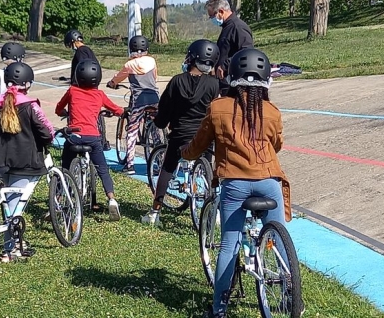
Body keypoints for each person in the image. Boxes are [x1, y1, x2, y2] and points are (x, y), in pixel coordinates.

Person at [180, 48, 296, 317]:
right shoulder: (271, 111)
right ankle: (291, 295)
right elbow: (277, 145)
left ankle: (219, 309)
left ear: (231, 76)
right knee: (277, 238)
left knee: (229, 243)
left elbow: (198, 145)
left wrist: (184, 153)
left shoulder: (218, 107)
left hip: (235, 184)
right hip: (269, 182)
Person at [0, 62, 54, 262]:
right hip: (25, 162)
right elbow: (46, 131)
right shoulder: (30, 105)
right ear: (27, 84)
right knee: (15, 206)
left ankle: (11, 243)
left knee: (7, 204)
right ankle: (9, 250)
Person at [141, 39, 220, 226]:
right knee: (208, 169)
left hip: (180, 135)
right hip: (205, 136)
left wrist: (159, 120)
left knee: (167, 169)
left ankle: (155, 211)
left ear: (191, 57)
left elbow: (165, 111)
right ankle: (213, 211)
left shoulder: (177, 81)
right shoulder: (214, 84)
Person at [55, 60, 124, 221]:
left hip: (74, 137)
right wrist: (122, 112)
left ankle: (57, 200)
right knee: (103, 169)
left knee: (65, 168)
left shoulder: (72, 91)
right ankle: (111, 199)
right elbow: (116, 109)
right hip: (93, 138)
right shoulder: (99, 95)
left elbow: (58, 109)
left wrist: (65, 112)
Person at [106, 35, 160, 175]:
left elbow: (118, 78)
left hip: (139, 100)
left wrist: (112, 83)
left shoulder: (129, 65)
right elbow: (154, 76)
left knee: (132, 130)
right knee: (155, 128)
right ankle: (158, 160)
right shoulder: (152, 61)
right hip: (154, 97)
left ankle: (130, 165)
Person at [204, 0, 254, 92]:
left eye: (212, 16)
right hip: (224, 82)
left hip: (234, 83)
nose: (212, 19)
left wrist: (225, 65)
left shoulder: (238, 27)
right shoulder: (227, 27)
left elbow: (247, 52)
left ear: (221, 11)